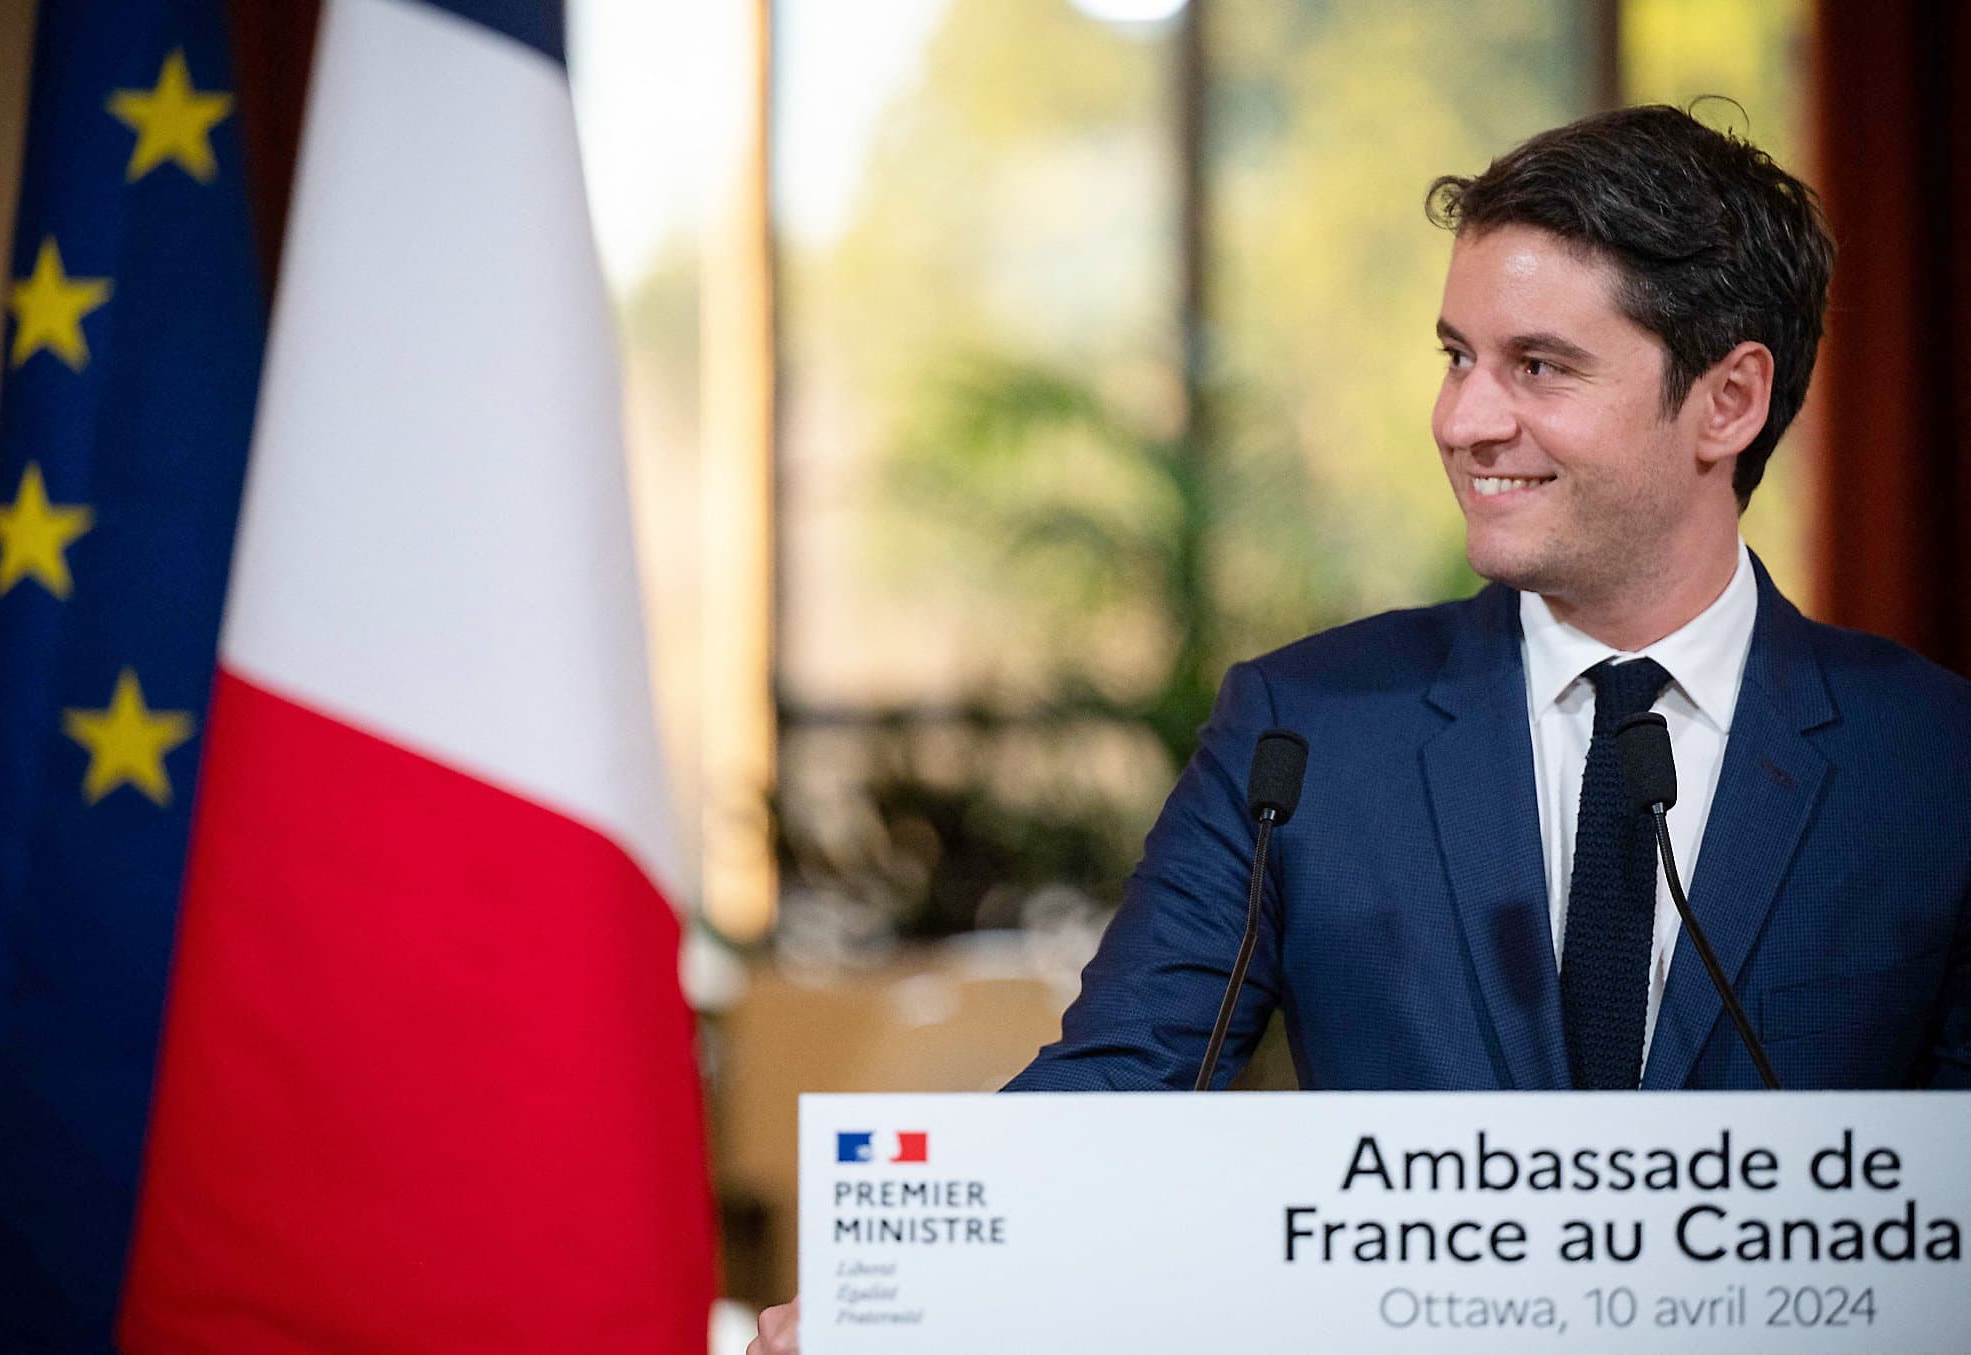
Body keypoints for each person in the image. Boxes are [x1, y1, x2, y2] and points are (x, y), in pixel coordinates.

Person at [747, 102, 1971, 1354]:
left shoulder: (1932, 763)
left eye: (1537, 366)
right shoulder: (1302, 734)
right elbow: (1123, 1076)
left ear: (1726, 400)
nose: (1462, 419)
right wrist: (910, 1284)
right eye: (1456, 356)